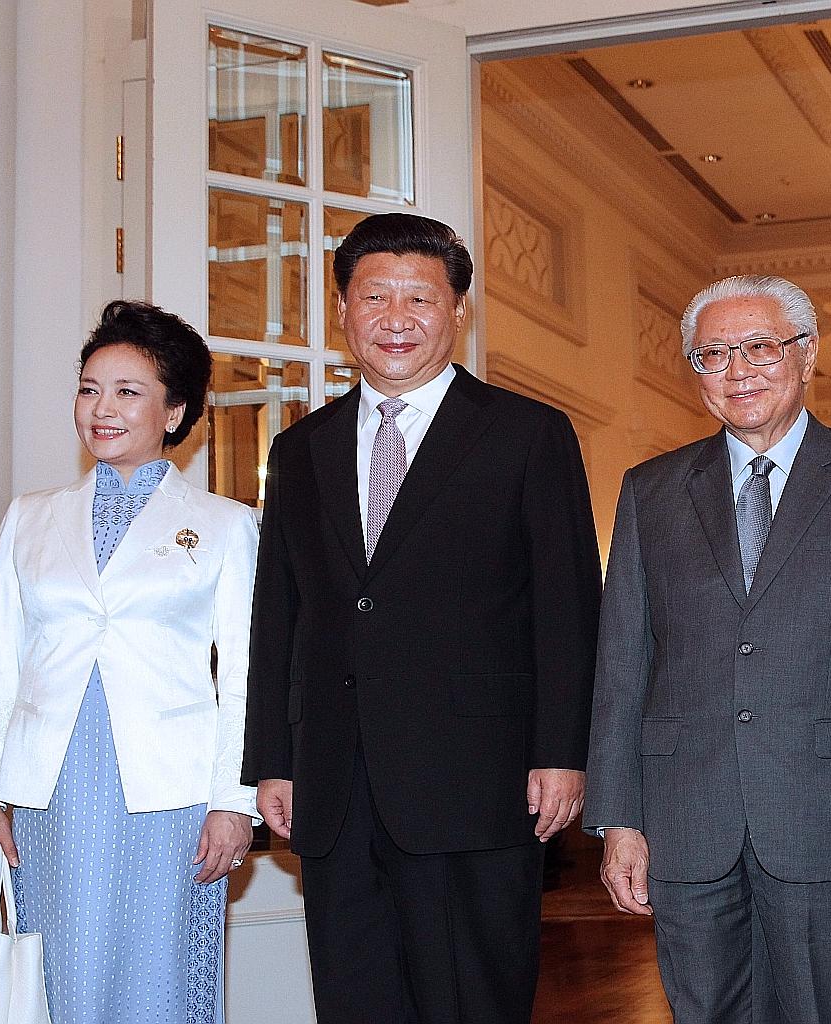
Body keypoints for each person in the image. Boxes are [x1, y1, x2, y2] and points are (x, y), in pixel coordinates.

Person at [242, 213, 601, 1024]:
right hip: (335, 784)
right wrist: (273, 757)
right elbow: (280, 616)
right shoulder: (300, 450)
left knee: (472, 998)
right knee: (355, 998)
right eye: (375, 297)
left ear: (458, 311)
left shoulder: (527, 434)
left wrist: (562, 751)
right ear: (342, 311)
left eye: (420, 298)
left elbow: (569, 608)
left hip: (480, 778)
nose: (396, 318)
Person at [585, 274, 831, 1023]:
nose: (738, 371)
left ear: (807, 355)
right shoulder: (650, 491)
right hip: (686, 825)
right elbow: (622, 667)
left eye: (759, 347)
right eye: (713, 355)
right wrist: (618, 818)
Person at [0, 300, 260, 1024]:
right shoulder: (30, 516)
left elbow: (245, 674)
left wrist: (232, 803)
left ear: (176, 411)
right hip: (45, 793)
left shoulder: (224, 525)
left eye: (128, 391)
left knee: (159, 977)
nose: (102, 409)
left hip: (170, 796)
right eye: (89, 388)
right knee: (54, 975)